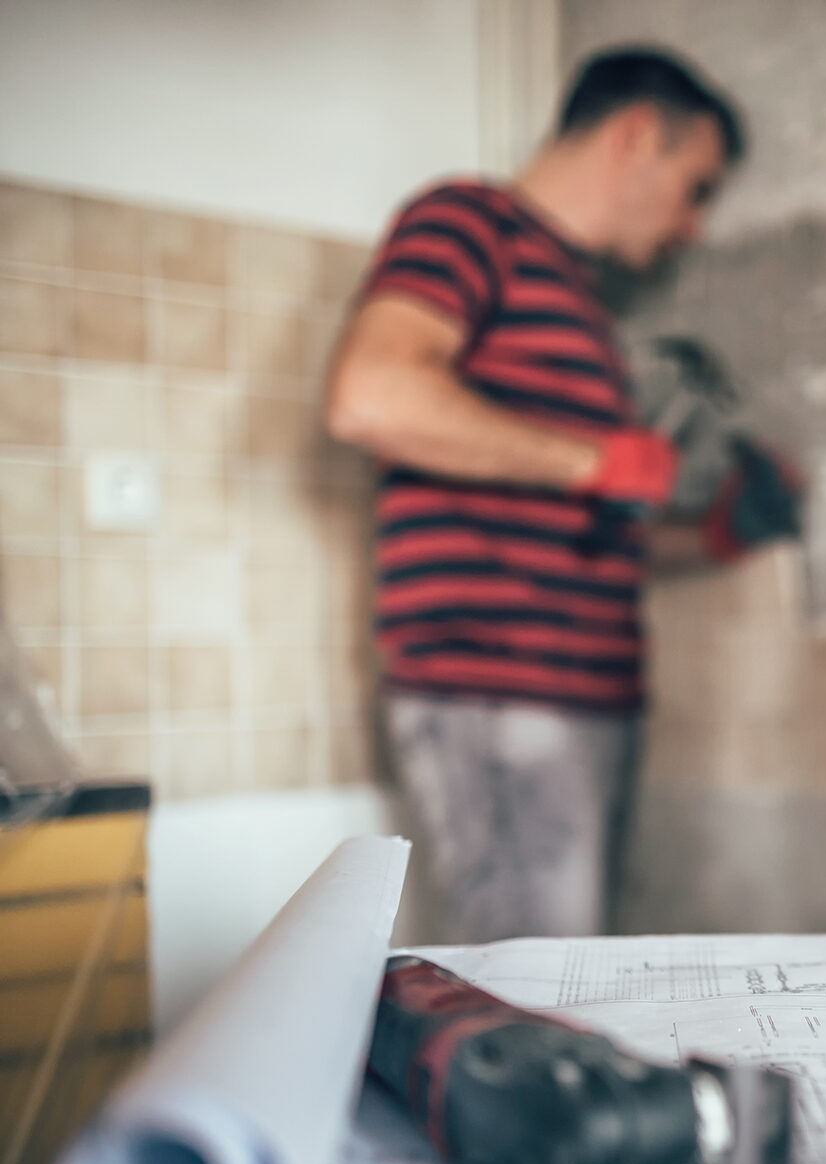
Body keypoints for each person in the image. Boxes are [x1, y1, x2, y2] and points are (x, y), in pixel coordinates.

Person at [326, 48, 797, 943]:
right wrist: (598, 461)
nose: (693, 224)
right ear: (635, 135)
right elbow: (369, 394)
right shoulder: (465, 223)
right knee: (530, 991)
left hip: (577, 698)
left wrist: (718, 535)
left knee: (560, 972)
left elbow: (580, 514)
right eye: (697, 186)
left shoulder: (580, 307)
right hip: (497, 686)